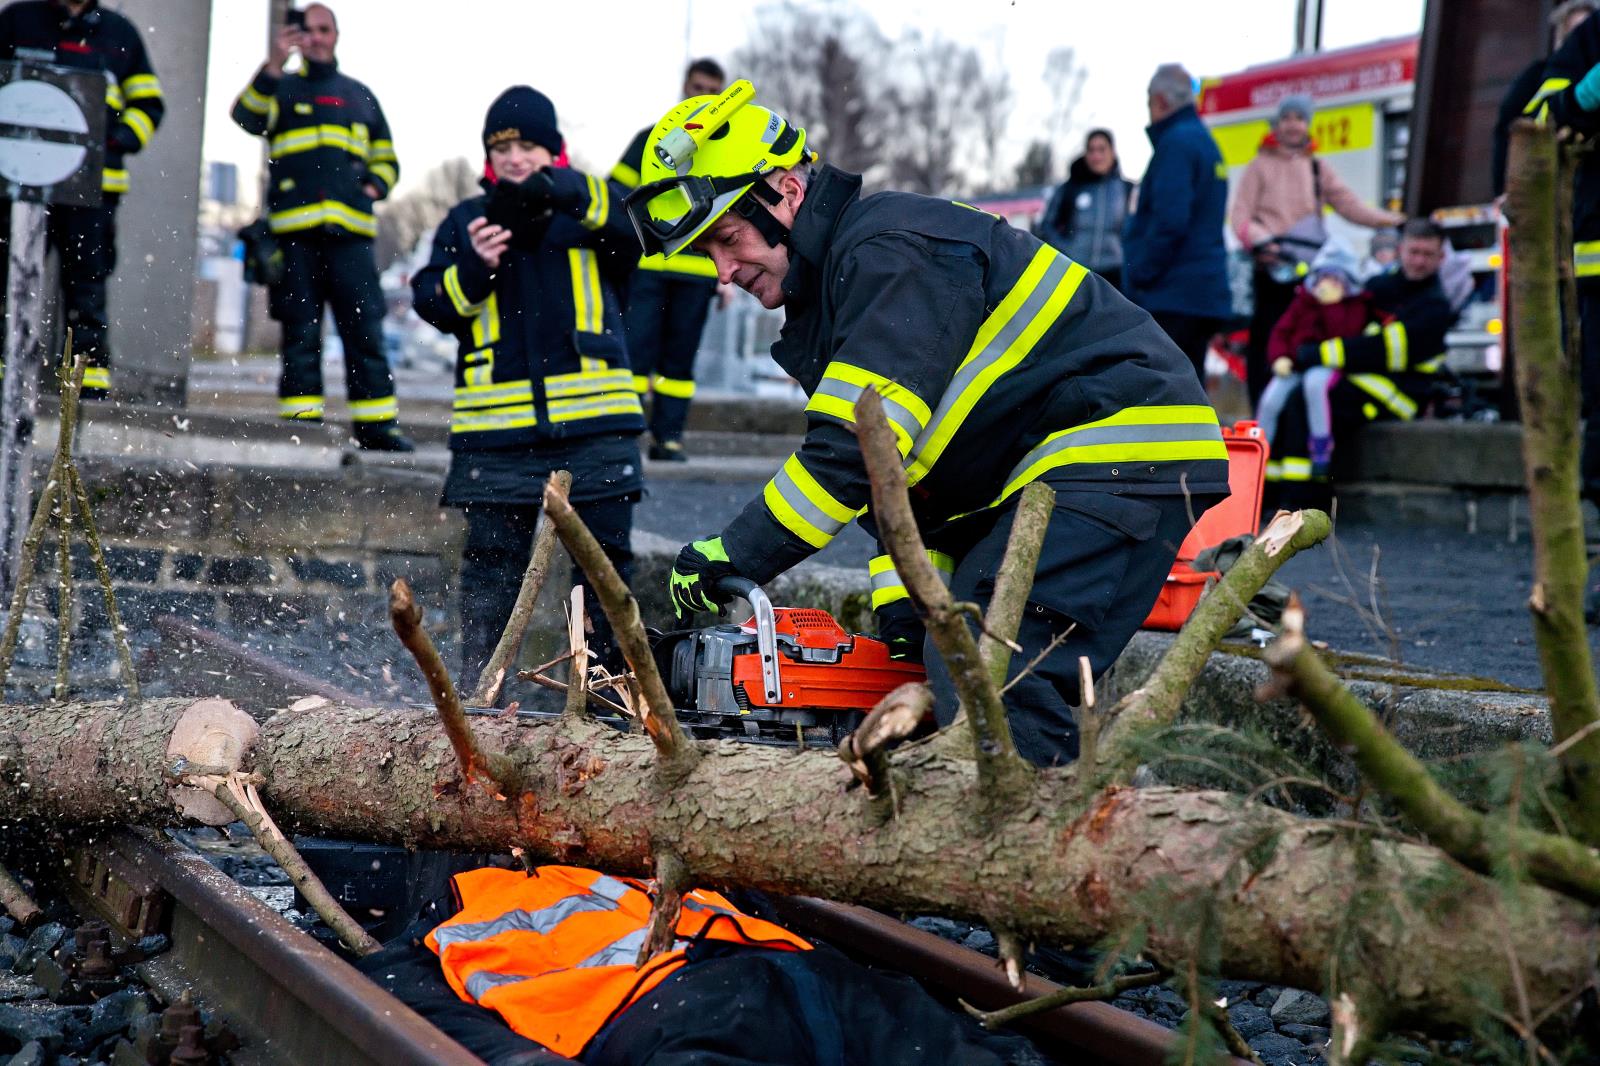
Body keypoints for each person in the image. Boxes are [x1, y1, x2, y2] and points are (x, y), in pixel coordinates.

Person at [624, 81, 1229, 768]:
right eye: (708, 253)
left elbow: (852, 457)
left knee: (992, 673)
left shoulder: (888, 249)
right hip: (1064, 469)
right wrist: (907, 621)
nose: (723, 272)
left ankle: (1031, 826)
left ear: (786, 192)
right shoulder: (832, 299)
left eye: (728, 240)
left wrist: (735, 553)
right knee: (959, 661)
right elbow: (900, 493)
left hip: (1119, 449)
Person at [411, 86, 643, 687]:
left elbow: (637, 233)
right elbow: (431, 302)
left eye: (528, 146)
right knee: (491, 576)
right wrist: (474, 269)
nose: (514, 157)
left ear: (554, 151)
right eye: (501, 148)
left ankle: (610, 702)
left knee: (605, 575)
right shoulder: (466, 221)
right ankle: (482, 700)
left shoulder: (591, 209)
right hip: (496, 437)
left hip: (597, 429)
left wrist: (562, 189)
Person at [358, 863, 1040, 1064]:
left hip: (793, 987)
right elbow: (396, 993)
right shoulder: (458, 910)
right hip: (688, 1013)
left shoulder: (651, 857)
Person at [230, 3, 412, 451]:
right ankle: (301, 429)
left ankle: (377, 427)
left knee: (365, 332)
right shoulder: (281, 88)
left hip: (351, 238)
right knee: (301, 334)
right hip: (295, 238)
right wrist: (274, 65)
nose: (315, 37)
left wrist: (371, 187)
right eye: (306, 30)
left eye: (323, 29)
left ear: (335, 35)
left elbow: (388, 160)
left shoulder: (360, 96)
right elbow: (246, 117)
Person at [0, 0, 164, 400]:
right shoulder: (18, 21)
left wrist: (115, 142)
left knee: (87, 288)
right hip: (19, 188)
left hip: (92, 191)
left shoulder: (119, 34)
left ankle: (85, 389)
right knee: (7, 281)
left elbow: (149, 105)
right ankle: (6, 374)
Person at [1263, 218, 1456, 507]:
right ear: (1400, 250)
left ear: (1441, 258)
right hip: (1363, 379)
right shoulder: (1380, 287)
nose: (1419, 261)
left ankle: (1304, 500)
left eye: (1428, 254)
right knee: (1294, 396)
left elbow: (1380, 351)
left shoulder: (1435, 306)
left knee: (1312, 400)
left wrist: (1318, 353)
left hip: (1400, 394)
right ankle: (1272, 493)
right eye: (1414, 252)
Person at [1231, 95, 1406, 410]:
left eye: (1299, 118)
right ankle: (1262, 414)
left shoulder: (1316, 167)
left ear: (1307, 124)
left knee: (1306, 342)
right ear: (1277, 124)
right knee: (1268, 343)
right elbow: (1241, 216)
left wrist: (1391, 221)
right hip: (1273, 273)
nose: (1293, 125)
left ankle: (1296, 414)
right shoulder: (1259, 166)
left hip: (1309, 275)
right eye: (1287, 118)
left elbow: (1348, 204)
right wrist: (1263, 241)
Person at [611, 58, 728, 463]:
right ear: (684, 87)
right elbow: (615, 194)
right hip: (648, 268)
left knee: (679, 362)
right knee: (635, 355)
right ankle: (623, 436)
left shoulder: (725, 147)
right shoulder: (652, 140)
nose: (703, 96)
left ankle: (669, 439)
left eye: (712, 91)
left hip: (699, 272)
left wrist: (727, 275)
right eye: (698, 87)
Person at [1122, 63, 1233, 383]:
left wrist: (1139, 273)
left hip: (1173, 294)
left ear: (1159, 101)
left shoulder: (1176, 144)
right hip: (1200, 292)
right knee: (1189, 385)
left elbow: (1170, 222)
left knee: (1162, 386)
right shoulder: (1204, 141)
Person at [1255, 240, 1377, 478]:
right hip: (1295, 363)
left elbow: (1345, 334)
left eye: (1334, 279)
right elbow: (1281, 331)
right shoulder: (1303, 301)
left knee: (1315, 387)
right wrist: (1279, 357)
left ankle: (1321, 445)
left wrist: (1331, 307)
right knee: (1270, 400)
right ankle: (1259, 450)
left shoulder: (1356, 305)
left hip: (1326, 364)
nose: (1326, 284)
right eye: (1323, 277)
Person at [1494, 0, 1597, 199]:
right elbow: (1511, 127)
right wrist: (1503, 189)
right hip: (1547, 184)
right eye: (1575, 31)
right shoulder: (1536, 76)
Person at [1033, 128, 1134, 289]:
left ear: (1112, 152)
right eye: (1091, 150)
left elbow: (1137, 232)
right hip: (1074, 273)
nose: (1096, 156)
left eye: (1102, 149)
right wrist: (1067, 253)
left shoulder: (1127, 190)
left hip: (1115, 277)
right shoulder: (1068, 190)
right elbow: (1046, 227)